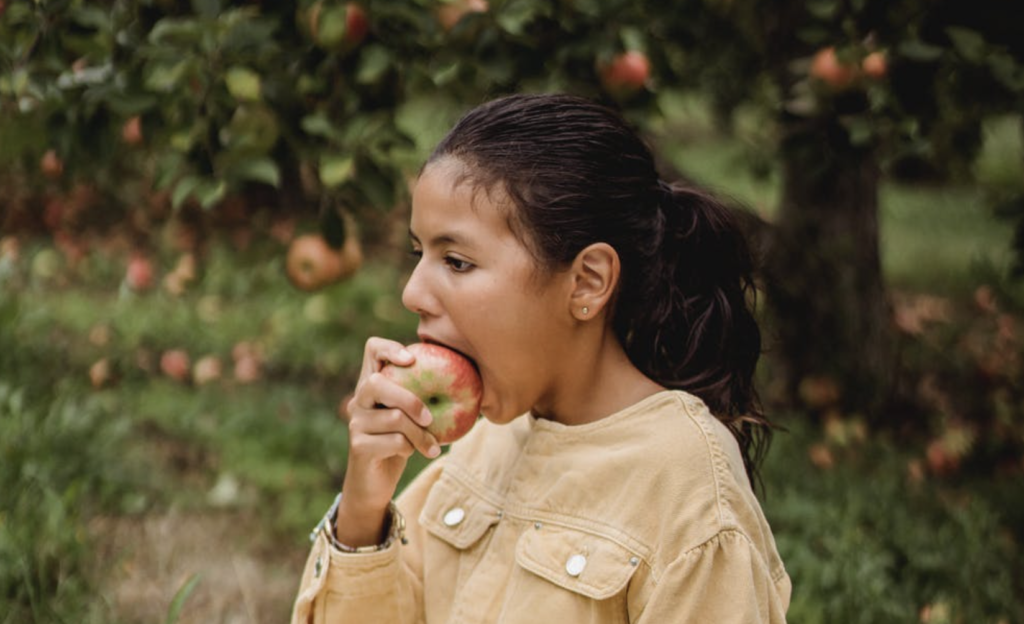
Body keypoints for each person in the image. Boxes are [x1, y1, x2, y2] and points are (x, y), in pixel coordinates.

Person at [291, 93, 791, 623]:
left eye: (456, 261)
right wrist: (364, 510)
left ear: (587, 282)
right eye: (421, 254)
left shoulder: (687, 492)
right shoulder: (486, 440)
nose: (412, 292)